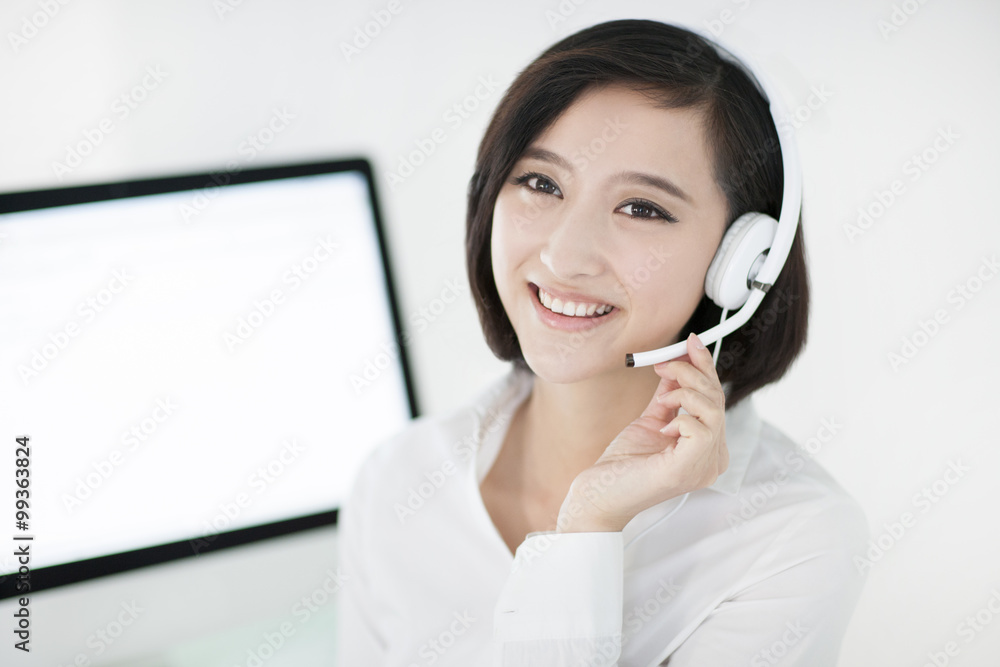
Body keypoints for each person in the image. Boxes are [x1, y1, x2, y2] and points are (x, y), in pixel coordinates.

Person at [334, 18, 869, 667]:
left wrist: (588, 526)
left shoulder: (791, 539)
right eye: (541, 183)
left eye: (642, 207)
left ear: (740, 262)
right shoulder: (397, 480)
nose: (565, 255)